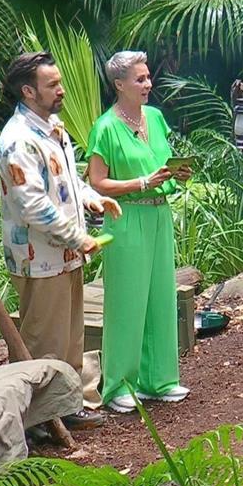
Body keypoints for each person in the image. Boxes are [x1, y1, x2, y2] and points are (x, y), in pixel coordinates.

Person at [0, 51, 122, 430]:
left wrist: (91, 197)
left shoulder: (54, 129)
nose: (62, 91)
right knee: (44, 341)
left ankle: (69, 408)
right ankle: (38, 421)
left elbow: (67, 181)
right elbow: (31, 204)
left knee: (70, 337)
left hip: (67, 253)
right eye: (53, 85)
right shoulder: (17, 140)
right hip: (39, 257)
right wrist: (77, 235)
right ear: (28, 91)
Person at [85, 51, 192, 414]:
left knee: (161, 296)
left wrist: (174, 174)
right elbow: (96, 182)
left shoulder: (156, 118)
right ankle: (119, 383)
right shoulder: (105, 128)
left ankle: (159, 379)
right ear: (119, 84)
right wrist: (142, 182)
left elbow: (160, 162)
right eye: (140, 79)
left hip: (159, 215)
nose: (148, 84)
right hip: (126, 216)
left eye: (148, 78)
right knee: (127, 302)